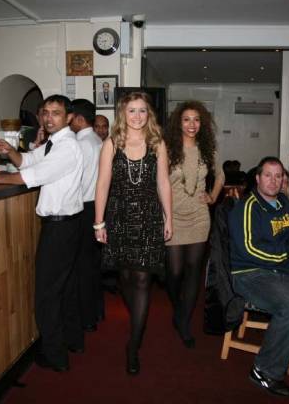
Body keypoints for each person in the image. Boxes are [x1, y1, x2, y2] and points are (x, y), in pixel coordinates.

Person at [0, 95, 84, 372]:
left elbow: (33, 177)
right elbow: (27, 161)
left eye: (56, 113)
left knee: (47, 294)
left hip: (61, 227)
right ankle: (73, 340)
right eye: (45, 112)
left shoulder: (66, 147)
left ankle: (55, 356)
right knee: (65, 288)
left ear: (69, 117)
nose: (49, 118)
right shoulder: (54, 143)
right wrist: (10, 151)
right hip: (65, 225)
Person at [228, 156, 289, 397]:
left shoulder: (283, 201)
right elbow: (249, 249)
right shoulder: (247, 207)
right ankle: (264, 371)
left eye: (278, 176)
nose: (273, 181)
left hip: (280, 269)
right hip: (249, 273)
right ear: (258, 178)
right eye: (268, 175)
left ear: (283, 180)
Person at [94, 92, 172, 375]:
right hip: (119, 218)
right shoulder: (111, 143)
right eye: (132, 110)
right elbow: (102, 184)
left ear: (148, 114)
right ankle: (135, 319)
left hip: (149, 218)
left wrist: (169, 217)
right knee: (126, 276)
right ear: (122, 114)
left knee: (142, 279)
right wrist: (99, 223)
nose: (137, 116)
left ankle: (133, 345)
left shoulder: (157, 143)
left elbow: (163, 183)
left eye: (142, 111)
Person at [163, 100, 224, 348]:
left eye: (196, 120)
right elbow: (158, 182)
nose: (192, 124)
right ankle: (178, 307)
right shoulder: (167, 149)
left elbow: (220, 176)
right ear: (178, 122)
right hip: (172, 216)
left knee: (193, 271)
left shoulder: (207, 149)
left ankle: (184, 321)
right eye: (187, 119)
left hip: (199, 216)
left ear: (202, 123)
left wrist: (213, 196)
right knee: (174, 272)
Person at [70, 99, 104, 333]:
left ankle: (86, 317)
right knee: (92, 264)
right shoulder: (98, 141)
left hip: (83, 209)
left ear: (79, 119)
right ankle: (96, 311)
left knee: (82, 266)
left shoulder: (80, 144)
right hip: (97, 208)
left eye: (70, 117)